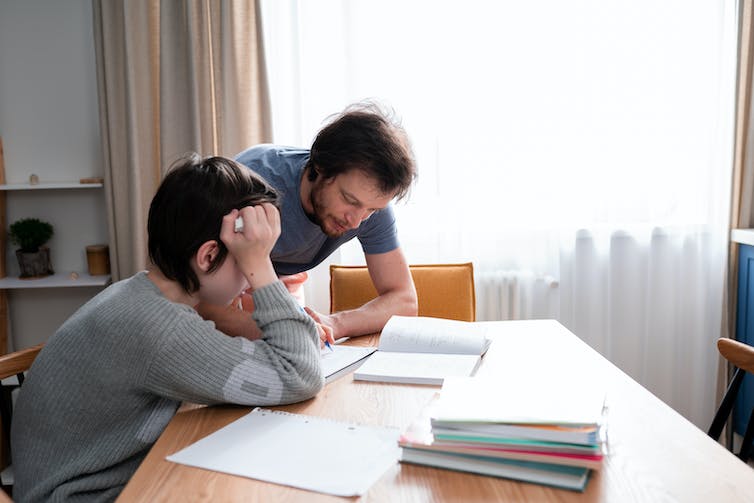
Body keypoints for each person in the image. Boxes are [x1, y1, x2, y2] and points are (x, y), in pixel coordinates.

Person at [10, 155, 324, 502]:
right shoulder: (158, 328)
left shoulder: (142, 295)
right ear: (208, 257)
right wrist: (261, 267)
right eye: (248, 260)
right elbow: (301, 373)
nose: (253, 279)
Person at [197, 102, 419, 341]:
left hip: (280, 288)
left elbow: (404, 300)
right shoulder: (250, 184)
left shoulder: (370, 208)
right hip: (222, 289)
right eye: (349, 200)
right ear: (321, 167)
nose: (356, 222)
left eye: (371, 209)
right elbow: (197, 300)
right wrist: (290, 333)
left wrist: (334, 322)